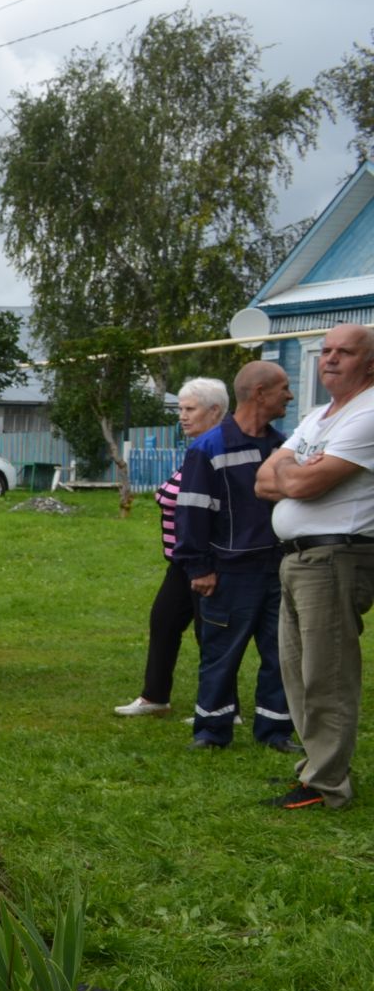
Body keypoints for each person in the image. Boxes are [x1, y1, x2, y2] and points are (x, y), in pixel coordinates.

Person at [255, 323, 374, 811]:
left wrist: (292, 472)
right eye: (325, 351)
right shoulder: (320, 415)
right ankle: (315, 769)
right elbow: (265, 479)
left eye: (343, 353)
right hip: (298, 558)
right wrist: (294, 471)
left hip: (334, 556)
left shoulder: (368, 414)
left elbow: (305, 486)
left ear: (369, 363)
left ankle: (327, 785)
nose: (329, 359)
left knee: (327, 673)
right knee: (298, 672)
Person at [174, 363, 294, 753]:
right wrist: (200, 567)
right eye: (284, 389)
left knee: (280, 655)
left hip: (278, 569)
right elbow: (191, 510)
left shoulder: (282, 445)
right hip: (228, 573)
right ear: (260, 393)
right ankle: (211, 731)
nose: (289, 396)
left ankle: (275, 732)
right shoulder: (208, 448)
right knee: (220, 655)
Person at [114, 379, 228, 716]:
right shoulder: (198, 447)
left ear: (215, 411)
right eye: (180, 409)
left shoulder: (217, 447)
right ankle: (155, 697)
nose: (182, 416)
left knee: (210, 634)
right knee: (164, 621)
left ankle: (222, 705)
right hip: (181, 561)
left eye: (190, 409)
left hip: (206, 560)